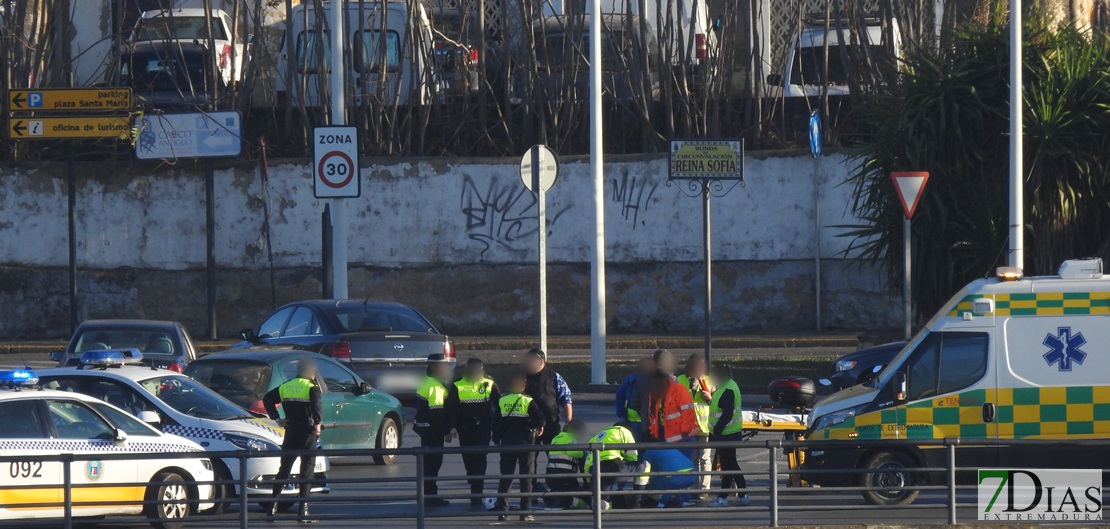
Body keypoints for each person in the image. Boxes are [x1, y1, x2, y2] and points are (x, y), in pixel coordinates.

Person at [263, 357, 323, 523]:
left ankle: (272, 508)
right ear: (311, 371)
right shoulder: (312, 387)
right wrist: (318, 425)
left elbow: (267, 399)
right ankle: (303, 511)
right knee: (306, 471)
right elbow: (317, 408)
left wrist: (278, 419)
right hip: (307, 432)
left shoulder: (286, 386)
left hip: (290, 431)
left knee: (284, 470)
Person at [492, 371, 546, 522]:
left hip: (507, 443)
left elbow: (496, 424)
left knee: (506, 477)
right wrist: (537, 426)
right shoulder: (527, 401)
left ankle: (502, 511)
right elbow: (540, 419)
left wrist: (496, 439)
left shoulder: (502, 401)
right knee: (526, 478)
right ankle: (525, 512)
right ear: (523, 386)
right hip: (525, 443)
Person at [447, 358, 501, 506]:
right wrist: (451, 427)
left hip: (483, 426)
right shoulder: (458, 385)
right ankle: (472, 476)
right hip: (465, 427)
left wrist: (498, 425)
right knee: (468, 458)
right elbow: (452, 408)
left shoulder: (489, 383)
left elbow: (498, 405)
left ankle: (477, 492)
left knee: (480, 458)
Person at [707, 363, 750, 507]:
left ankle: (723, 498)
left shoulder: (728, 389)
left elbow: (727, 414)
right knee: (731, 465)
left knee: (728, 467)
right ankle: (743, 494)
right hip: (728, 433)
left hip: (727, 434)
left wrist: (717, 431)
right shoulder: (728, 386)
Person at [415, 354, 454, 508]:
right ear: (435, 367)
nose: (446, 369)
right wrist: (446, 431)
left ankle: (426, 495)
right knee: (433, 465)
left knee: (427, 465)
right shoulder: (435, 387)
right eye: (443, 366)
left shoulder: (425, 381)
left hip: (424, 429)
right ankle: (431, 497)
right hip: (433, 431)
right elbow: (437, 412)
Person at [676, 354, 714, 495]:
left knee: (704, 458)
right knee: (692, 458)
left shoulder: (709, 381)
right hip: (687, 426)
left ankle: (704, 489)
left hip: (704, 426)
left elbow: (716, 403)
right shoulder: (681, 380)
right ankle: (693, 487)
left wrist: (709, 397)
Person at [584, 422, 645, 509]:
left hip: (595, 470)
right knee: (644, 465)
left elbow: (587, 463)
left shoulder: (596, 436)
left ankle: (605, 505)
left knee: (601, 502)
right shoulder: (624, 431)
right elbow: (632, 457)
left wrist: (590, 482)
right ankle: (636, 501)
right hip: (614, 466)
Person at [522, 348, 573, 445]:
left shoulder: (554, 377)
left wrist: (568, 423)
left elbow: (566, 401)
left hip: (551, 424)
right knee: (529, 458)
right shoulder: (523, 377)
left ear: (541, 361)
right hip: (529, 425)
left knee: (555, 456)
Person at [544, 419, 588, 509]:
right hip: (565, 478)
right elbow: (572, 451)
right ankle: (586, 504)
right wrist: (584, 452)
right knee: (583, 496)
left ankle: (554, 497)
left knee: (562, 494)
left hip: (551, 476)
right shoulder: (570, 437)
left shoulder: (556, 438)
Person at [645, 370, 697, 444]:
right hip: (662, 434)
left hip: (682, 437)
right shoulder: (654, 392)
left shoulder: (678, 389)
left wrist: (685, 432)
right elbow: (652, 414)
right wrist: (654, 432)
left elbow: (688, 412)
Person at [634, 349, 676, 435]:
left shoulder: (642, 379)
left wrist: (644, 413)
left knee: (648, 447)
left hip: (648, 424)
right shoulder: (674, 381)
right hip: (669, 426)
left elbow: (634, 402)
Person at [615, 358, 655, 439]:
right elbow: (620, 396)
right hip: (644, 420)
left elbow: (620, 396)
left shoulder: (632, 379)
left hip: (636, 419)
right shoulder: (633, 380)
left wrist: (621, 415)